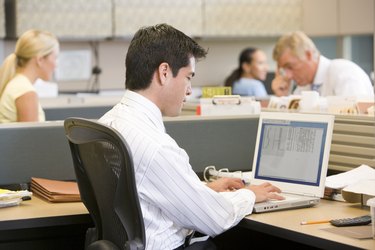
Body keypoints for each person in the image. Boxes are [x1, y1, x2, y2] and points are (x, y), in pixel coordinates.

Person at [99, 23, 283, 250]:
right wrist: (250, 194)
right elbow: (214, 218)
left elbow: (146, 192)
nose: (189, 90)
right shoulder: (156, 146)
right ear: (164, 72)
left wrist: (202, 190)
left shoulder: (110, 122)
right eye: (188, 77)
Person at [271, 31, 374, 97]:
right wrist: (283, 97)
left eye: (290, 67)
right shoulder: (302, 89)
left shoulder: (344, 73)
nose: (288, 76)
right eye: (284, 70)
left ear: (308, 55)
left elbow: (354, 123)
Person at [0, 29, 59, 123]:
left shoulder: (18, 84)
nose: (56, 65)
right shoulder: (26, 92)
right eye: (55, 58)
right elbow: (31, 137)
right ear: (40, 60)